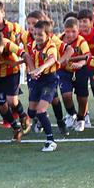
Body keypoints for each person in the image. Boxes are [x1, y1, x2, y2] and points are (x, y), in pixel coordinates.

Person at [26, 20, 62, 152]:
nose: (37, 37)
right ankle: (41, 120)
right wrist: (33, 71)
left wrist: (40, 68)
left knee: (40, 110)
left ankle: (51, 140)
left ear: (48, 35)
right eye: (35, 34)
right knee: (31, 112)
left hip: (49, 80)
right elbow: (29, 57)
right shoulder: (33, 44)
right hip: (37, 80)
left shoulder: (51, 46)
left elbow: (52, 59)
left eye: (40, 34)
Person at [57, 16, 91, 131]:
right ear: (64, 30)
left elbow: (87, 56)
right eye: (67, 31)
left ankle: (81, 119)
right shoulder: (59, 39)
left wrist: (80, 63)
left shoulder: (81, 41)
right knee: (66, 95)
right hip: (64, 71)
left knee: (82, 98)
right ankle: (72, 114)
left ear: (78, 30)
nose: (70, 34)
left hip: (80, 71)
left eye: (73, 31)